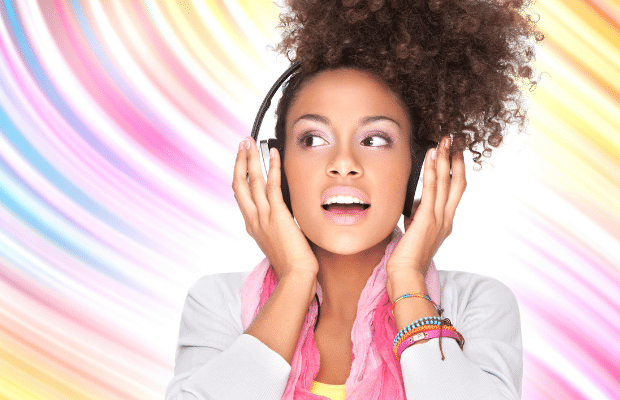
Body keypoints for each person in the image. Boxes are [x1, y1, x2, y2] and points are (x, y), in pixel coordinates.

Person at [166, 0, 542, 399]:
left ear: (419, 169)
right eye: (312, 139)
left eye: (375, 140)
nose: (343, 164)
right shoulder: (219, 303)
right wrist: (295, 278)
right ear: (274, 167)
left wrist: (409, 279)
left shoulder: (477, 304)